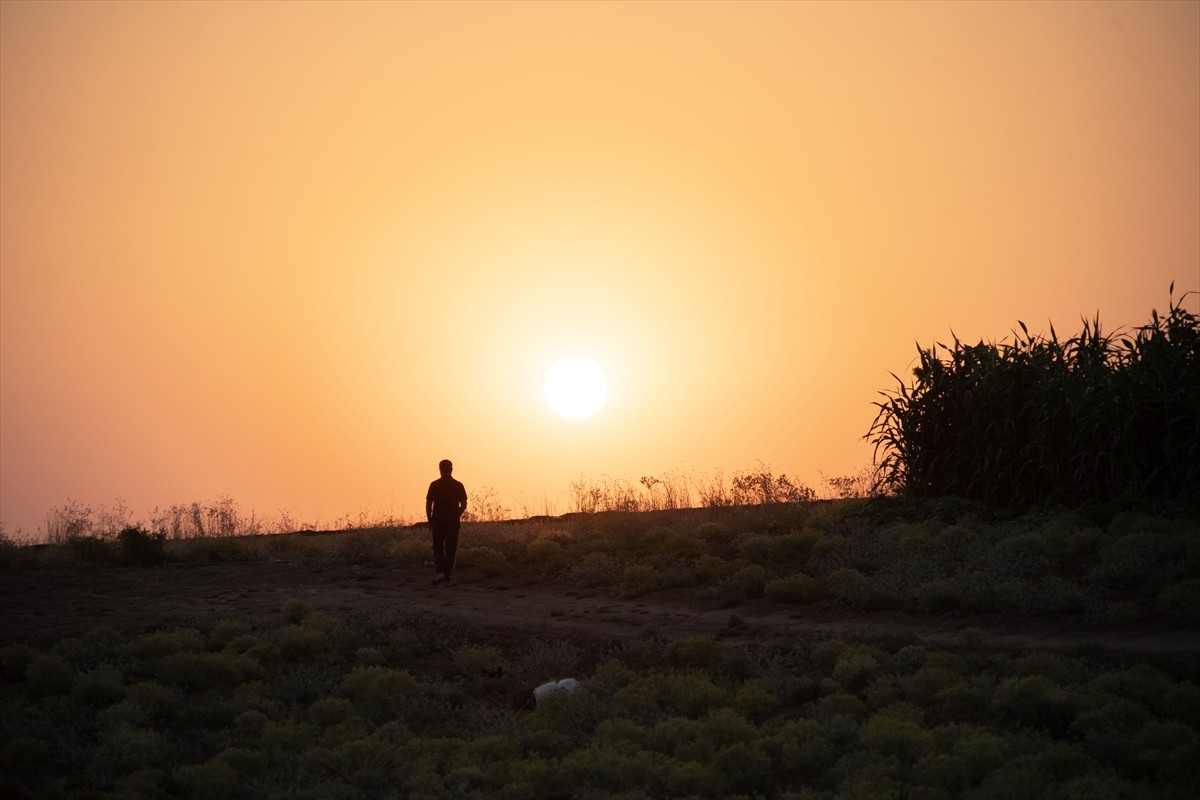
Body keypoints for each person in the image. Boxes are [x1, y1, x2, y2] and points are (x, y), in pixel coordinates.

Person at [425, 459, 467, 585]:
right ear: (451, 469)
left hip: (437, 521)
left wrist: (430, 520)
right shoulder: (458, 485)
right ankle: (448, 575)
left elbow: (428, 504)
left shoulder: (434, 484)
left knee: (437, 547)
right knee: (451, 548)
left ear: (440, 469)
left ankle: (440, 572)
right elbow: (464, 504)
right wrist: (456, 515)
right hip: (453, 522)